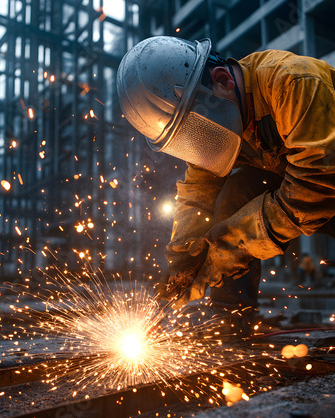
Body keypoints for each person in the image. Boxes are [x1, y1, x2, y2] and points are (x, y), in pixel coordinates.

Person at [116, 36, 335, 336]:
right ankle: (230, 319)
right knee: (238, 191)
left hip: (326, 183)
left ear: (222, 81)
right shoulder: (223, 122)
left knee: (238, 211)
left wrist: (233, 245)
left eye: (195, 127)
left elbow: (318, 183)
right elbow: (197, 194)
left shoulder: (292, 83)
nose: (198, 139)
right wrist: (184, 258)